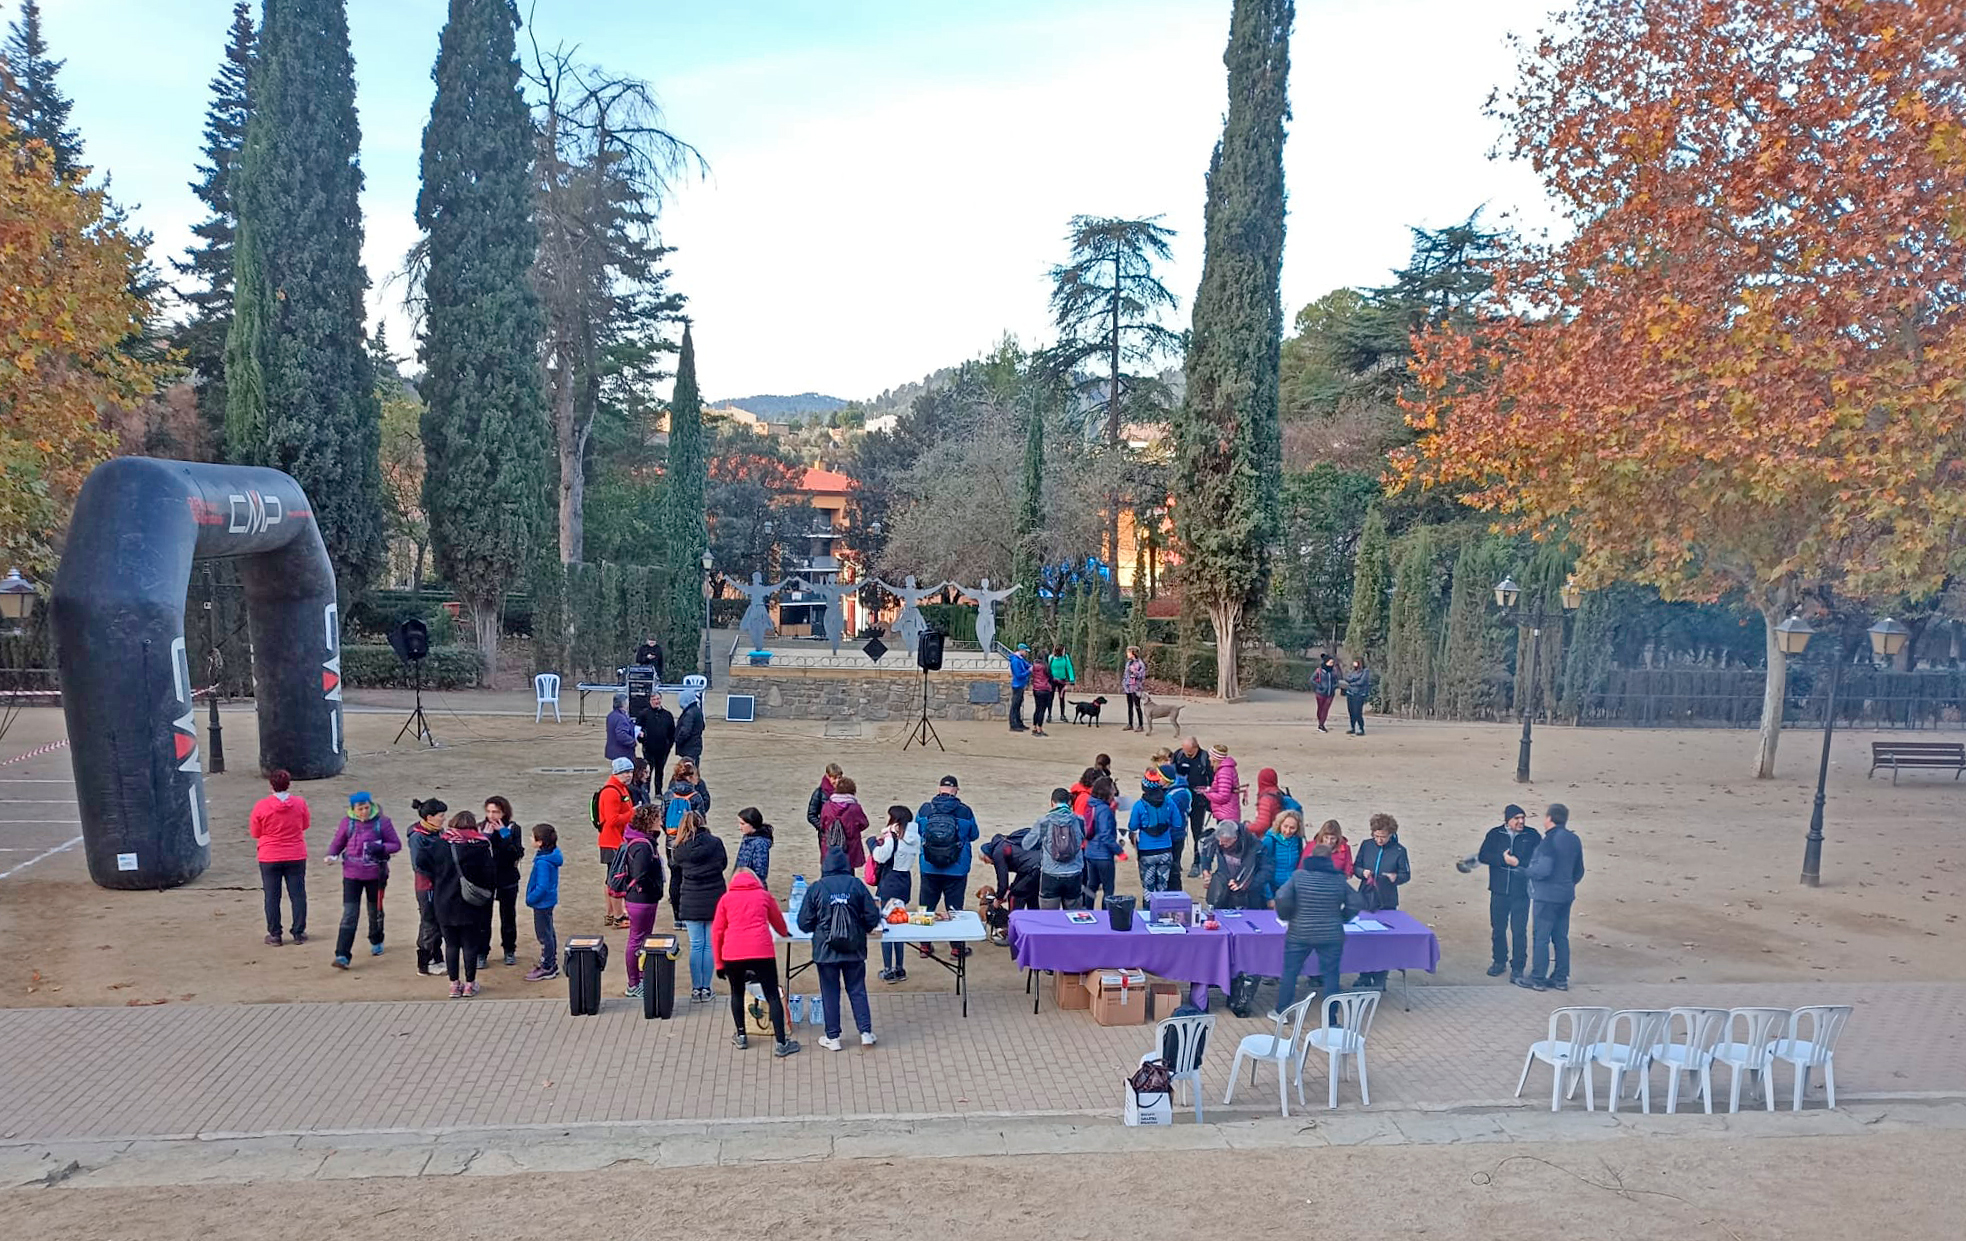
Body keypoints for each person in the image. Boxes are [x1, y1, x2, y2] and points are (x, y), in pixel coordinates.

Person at [796, 845, 883, 1050]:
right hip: (854, 948)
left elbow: (803, 923)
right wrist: (862, 927)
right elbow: (872, 917)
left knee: (830, 991)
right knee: (857, 989)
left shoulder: (817, 888)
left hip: (826, 950)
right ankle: (866, 1032)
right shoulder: (856, 885)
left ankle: (833, 1037)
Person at [711, 865, 800, 1056]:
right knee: (772, 995)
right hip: (761, 950)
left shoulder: (726, 899)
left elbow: (717, 932)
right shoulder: (763, 896)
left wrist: (719, 963)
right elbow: (777, 920)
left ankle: (741, 1035)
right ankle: (781, 1042)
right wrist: (785, 933)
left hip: (733, 953)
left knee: (737, 993)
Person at [1272, 843, 1359, 1015]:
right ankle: (1331, 1018)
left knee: (1290, 972)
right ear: (1329, 859)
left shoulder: (1299, 876)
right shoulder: (1338, 879)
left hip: (1299, 931)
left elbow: (1281, 896)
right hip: (1331, 933)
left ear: (1311, 857)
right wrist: (1343, 917)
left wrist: (1286, 915)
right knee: (1331, 975)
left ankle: (1282, 1011)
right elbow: (1356, 901)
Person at [418, 810, 495, 998]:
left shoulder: (440, 844)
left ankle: (454, 985)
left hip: (444, 902)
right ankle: (470, 984)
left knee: (451, 945)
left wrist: (437, 877)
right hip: (471, 904)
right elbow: (490, 876)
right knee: (470, 945)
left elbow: (420, 862)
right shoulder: (481, 846)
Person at [326, 791, 399, 969]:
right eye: (360, 808)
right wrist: (331, 855)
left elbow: (396, 844)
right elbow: (338, 842)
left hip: (376, 875)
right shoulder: (347, 823)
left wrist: (381, 848)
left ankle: (376, 939)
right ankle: (342, 954)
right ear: (353, 809)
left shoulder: (383, 822)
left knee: (374, 910)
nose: (364, 812)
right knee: (349, 914)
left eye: (366, 807)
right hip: (351, 875)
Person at [1521, 802, 1585, 992]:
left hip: (1546, 897)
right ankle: (1560, 978)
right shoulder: (1574, 839)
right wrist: (1568, 884)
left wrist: (1527, 871)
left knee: (1541, 937)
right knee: (1561, 937)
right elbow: (1579, 870)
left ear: (1549, 818)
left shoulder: (1549, 841)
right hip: (1566, 895)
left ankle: (1538, 978)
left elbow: (1543, 870)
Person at [916, 775, 980, 957]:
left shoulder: (925, 809)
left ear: (939, 789)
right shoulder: (965, 811)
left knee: (925, 905)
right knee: (955, 907)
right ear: (956, 790)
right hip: (957, 867)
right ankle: (956, 946)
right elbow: (974, 834)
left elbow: (917, 830)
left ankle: (925, 945)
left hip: (929, 865)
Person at [669, 809, 729, 1003]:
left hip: (691, 898)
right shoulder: (715, 843)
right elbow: (723, 864)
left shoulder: (679, 848)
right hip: (714, 897)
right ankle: (706, 987)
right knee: (710, 945)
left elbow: (676, 871)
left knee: (696, 945)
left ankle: (696, 988)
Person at [1479, 803, 1541, 981]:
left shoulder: (1532, 835)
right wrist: (1502, 859)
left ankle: (1518, 966)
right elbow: (1484, 855)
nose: (1521, 821)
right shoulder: (1494, 834)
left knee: (1519, 930)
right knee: (1498, 928)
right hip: (1499, 890)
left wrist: (1518, 863)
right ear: (1508, 820)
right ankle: (1499, 961)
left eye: (1523, 818)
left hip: (1521, 892)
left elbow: (1539, 858)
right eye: (1517, 818)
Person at [250, 770, 310, 947]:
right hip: (295, 853)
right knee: (298, 894)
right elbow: (305, 824)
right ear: (289, 784)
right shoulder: (300, 803)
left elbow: (255, 832)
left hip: (270, 855)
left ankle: (275, 934)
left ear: (271, 786)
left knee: (271, 896)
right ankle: (298, 932)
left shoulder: (261, 806)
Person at [1353, 813, 1411, 989]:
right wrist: (1362, 872)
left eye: (1383, 837)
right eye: (1376, 836)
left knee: (1384, 941)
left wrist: (1395, 877)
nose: (1379, 840)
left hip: (1387, 900)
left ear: (1391, 834)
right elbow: (1356, 866)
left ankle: (1380, 978)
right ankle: (1364, 975)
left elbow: (1406, 875)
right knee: (1363, 939)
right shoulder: (1366, 845)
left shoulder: (1400, 850)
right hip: (1365, 897)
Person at [616, 804, 665, 999]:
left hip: (641, 898)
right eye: (658, 818)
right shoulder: (643, 846)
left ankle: (640, 978)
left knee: (641, 939)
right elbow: (640, 873)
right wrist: (653, 885)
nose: (661, 821)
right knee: (637, 940)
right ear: (649, 821)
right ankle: (634, 983)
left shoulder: (641, 841)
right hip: (642, 899)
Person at [872, 806, 919, 981]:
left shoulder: (891, 838)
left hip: (889, 882)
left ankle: (888, 969)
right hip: (904, 881)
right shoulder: (914, 838)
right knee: (899, 924)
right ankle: (900, 967)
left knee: (886, 926)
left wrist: (872, 844)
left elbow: (880, 857)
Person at [406, 799, 448, 976]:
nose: (444, 819)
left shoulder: (438, 832)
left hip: (438, 884)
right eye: (441, 816)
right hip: (427, 886)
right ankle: (425, 962)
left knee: (437, 922)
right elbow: (418, 865)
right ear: (429, 817)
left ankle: (436, 957)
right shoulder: (418, 837)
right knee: (429, 921)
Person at [1024, 787, 1084, 909]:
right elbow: (1084, 837)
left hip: (1051, 873)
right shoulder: (1079, 820)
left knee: (1049, 918)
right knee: (1073, 916)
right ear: (1070, 803)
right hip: (1074, 872)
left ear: (1052, 802)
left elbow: (1027, 844)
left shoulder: (1044, 821)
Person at [483, 796, 524, 967]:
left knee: (508, 917)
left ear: (504, 812)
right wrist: (485, 836)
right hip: (486, 880)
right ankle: (481, 952)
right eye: (489, 811)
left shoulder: (513, 829)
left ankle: (509, 950)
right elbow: (475, 854)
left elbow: (517, 853)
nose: (492, 816)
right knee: (483, 919)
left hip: (507, 879)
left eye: (496, 812)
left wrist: (504, 835)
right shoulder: (481, 827)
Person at [1128, 769, 1185, 894]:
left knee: (1148, 888)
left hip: (1146, 851)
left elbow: (1132, 826)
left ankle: (1148, 912)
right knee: (1162, 888)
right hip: (1166, 850)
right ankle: (1161, 912)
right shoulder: (1169, 801)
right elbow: (1178, 823)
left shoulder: (1139, 805)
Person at [595, 758, 636, 928]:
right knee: (617, 880)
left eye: (630, 771)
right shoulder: (612, 791)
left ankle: (611, 913)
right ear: (616, 773)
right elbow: (612, 820)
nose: (629, 775)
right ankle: (618, 916)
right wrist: (632, 813)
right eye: (625, 772)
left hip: (615, 841)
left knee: (611, 879)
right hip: (613, 842)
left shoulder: (620, 788)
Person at [524, 824, 563, 981]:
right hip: (547, 902)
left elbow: (542, 886)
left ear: (540, 842)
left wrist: (531, 898)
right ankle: (550, 962)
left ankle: (548, 966)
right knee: (548, 931)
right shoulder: (551, 855)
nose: (530, 839)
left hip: (541, 903)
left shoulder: (542, 862)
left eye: (532, 837)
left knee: (544, 935)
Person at [1170, 738, 1213, 878]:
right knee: (1178, 832)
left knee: (1197, 833)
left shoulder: (1204, 758)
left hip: (1198, 802)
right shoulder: (1179, 755)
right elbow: (1172, 775)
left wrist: (1210, 800)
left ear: (1196, 747)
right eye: (1184, 750)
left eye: (1189, 752)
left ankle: (1197, 862)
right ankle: (1176, 861)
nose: (1186, 754)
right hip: (1181, 801)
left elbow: (1212, 779)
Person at [1080, 776, 1120, 910]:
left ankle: (1088, 910)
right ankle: (1104, 914)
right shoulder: (1104, 810)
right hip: (1103, 855)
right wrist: (1119, 851)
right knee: (1109, 888)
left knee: (1091, 885)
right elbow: (1105, 835)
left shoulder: (1091, 804)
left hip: (1090, 852)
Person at [1201, 743, 1241, 875]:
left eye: (1211, 759)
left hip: (1226, 815)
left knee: (1224, 846)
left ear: (1215, 759)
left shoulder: (1224, 771)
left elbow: (1223, 796)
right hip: (1228, 813)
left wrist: (1207, 794)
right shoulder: (1227, 769)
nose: (1209, 762)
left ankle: (1223, 873)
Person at [1205, 821, 1263, 910]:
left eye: (1225, 842)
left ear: (1234, 838)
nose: (1220, 844)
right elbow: (1206, 849)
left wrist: (1245, 884)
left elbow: (1264, 869)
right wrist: (1206, 870)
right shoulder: (1218, 837)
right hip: (1224, 882)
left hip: (1247, 888)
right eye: (1219, 840)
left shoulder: (1252, 844)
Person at [817, 774, 870, 871]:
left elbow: (822, 824)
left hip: (830, 844)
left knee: (829, 873)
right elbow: (864, 824)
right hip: (850, 847)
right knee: (848, 874)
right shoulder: (855, 808)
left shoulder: (827, 806)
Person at [661, 759, 712, 859]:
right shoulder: (696, 796)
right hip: (691, 840)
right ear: (690, 777)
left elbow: (662, 817)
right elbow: (701, 820)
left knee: (674, 870)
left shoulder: (669, 794)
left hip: (672, 840)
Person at [1260, 809, 1308, 906]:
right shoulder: (1269, 841)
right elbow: (1262, 870)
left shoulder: (1297, 841)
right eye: (1285, 826)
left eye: (1292, 828)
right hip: (1274, 888)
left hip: (1291, 888)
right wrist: (1269, 897)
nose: (1288, 831)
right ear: (1279, 824)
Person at [636, 691, 675, 778]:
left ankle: (658, 791)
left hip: (662, 750)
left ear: (661, 699)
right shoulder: (643, 714)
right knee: (647, 772)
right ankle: (646, 790)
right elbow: (637, 729)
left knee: (660, 772)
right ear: (650, 701)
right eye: (653, 699)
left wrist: (668, 745)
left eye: (658, 699)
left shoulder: (667, 715)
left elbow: (672, 733)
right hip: (648, 750)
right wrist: (643, 740)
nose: (656, 701)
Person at [734, 807, 774, 882]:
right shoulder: (747, 837)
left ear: (752, 824)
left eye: (743, 824)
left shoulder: (760, 844)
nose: (740, 827)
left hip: (752, 885)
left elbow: (761, 872)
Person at [804, 763, 842, 836]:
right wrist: (822, 827)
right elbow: (811, 815)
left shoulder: (845, 791)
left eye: (839, 778)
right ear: (828, 776)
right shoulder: (819, 793)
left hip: (844, 833)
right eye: (834, 778)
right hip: (826, 834)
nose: (837, 781)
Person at [1249, 767, 1287, 837]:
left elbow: (1262, 825)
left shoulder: (1266, 799)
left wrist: (1246, 827)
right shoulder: (1278, 793)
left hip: (1268, 837)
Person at [673, 685, 706, 765]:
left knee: (689, 771)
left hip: (689, 747)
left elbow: (685, 731)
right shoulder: (697, 710)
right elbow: (702, 726)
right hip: (695, 746)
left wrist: (677, 740)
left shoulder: (689, 713)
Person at [1341, 659, 1373, 736]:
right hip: (1350, 693)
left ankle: (1361, 728)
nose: (1355, 665)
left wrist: (1351, 682)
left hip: (1359, 694)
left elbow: (1361, 682)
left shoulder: (1365, 671)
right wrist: (1353, 681)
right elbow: (1346, 678)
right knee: (1351, 711)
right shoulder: (1352, 671)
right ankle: (1352, 727)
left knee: (1357, 712)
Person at [1121, 646, 1149, 732]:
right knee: (1130, 706)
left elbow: (1142, 676)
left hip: (1136, 688)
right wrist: (1124, 683)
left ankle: (1140, 725)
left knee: (1137, 706)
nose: (1127, 654)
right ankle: (1130, 724)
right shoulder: (1128, 663)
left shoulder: (1140, 664)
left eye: (1128, 652)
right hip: (1128, 687)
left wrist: (1134, 672)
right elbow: (1125, 674)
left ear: (1133, 653)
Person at [1007, 643, 1033, 732]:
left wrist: (1030, 667)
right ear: (1021, 650)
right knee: (1015, 706)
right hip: (1017, 685)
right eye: (1025, 651)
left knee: (1018, 705)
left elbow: (1027, 665)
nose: (1026, 653)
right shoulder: (1016, 661)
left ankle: (1019, 723)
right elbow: (1018, 675)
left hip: (1021, 685)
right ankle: (1013, 724)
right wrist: (1029, 671)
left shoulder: (1020, 659)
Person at [604, 693, 637, 762]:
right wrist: (633, 741)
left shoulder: (611, 715)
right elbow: (621, 735)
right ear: (624, 703)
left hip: (613, 752)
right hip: (622, 753)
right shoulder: (621, 718)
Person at [1030, 650, 1056, 736]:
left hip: (1036, 689)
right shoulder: (1045, 667)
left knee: (1037, 708)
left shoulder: (1034, 665)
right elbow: (1050, 677)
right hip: (1044, 689)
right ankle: (1039, 728)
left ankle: (1034, 726)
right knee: (1042, 710)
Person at [1311, 655, 1339, 733]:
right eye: (1330, 662)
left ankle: (1321, 725)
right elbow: (1312, 679)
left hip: (1330, 693)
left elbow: (1337, 681)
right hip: (1320, 693)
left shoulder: (1334, 671)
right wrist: (1319, 686)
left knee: (1325, 709)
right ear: (1326, 662)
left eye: (1332, 662)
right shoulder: (1319, 671)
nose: (1331, 664)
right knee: (1320, 709)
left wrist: (1334, 686)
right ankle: (1320, 722)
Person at [1048, 643, 1077, 714]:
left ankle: (1062, 714)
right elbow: (1047, 668)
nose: (1065, 651)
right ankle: (1049, 714)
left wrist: (1072, 679)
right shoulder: (1051, 658)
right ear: (1060, 651)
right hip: (1052, 680)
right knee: (1050, 698)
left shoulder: (1066, 658)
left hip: (1062, 680)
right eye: (1064, 650)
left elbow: (1069, 668)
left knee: (1061, 697)